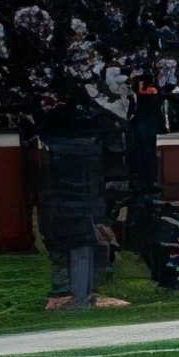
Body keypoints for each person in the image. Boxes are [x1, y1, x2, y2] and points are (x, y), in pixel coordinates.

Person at [32, 85, 119, 312]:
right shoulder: (96, 121)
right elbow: (113, 135)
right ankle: (82, 295)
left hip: (61, 191)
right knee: (83, 243)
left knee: (71, 243)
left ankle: (77, 294)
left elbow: (44, 135)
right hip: (88, 191)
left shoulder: (56, 122)